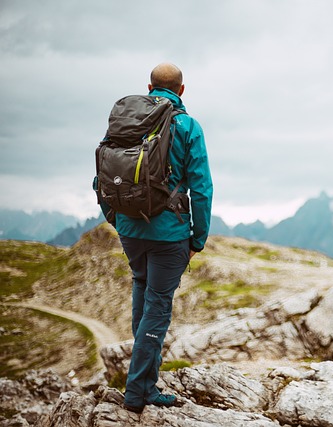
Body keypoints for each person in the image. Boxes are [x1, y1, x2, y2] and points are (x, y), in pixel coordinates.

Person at [99, 63, 213, 413]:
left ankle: (144, 383)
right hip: (169, 234)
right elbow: (202, 188)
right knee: (158, 307)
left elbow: (101, 176)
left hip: (131, 229)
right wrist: (197, 239)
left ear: (149, 87)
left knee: (142, 294)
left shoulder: (127, 122)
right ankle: (138, 394)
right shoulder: (188, 126)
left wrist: (118, 221)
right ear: (182, 90)